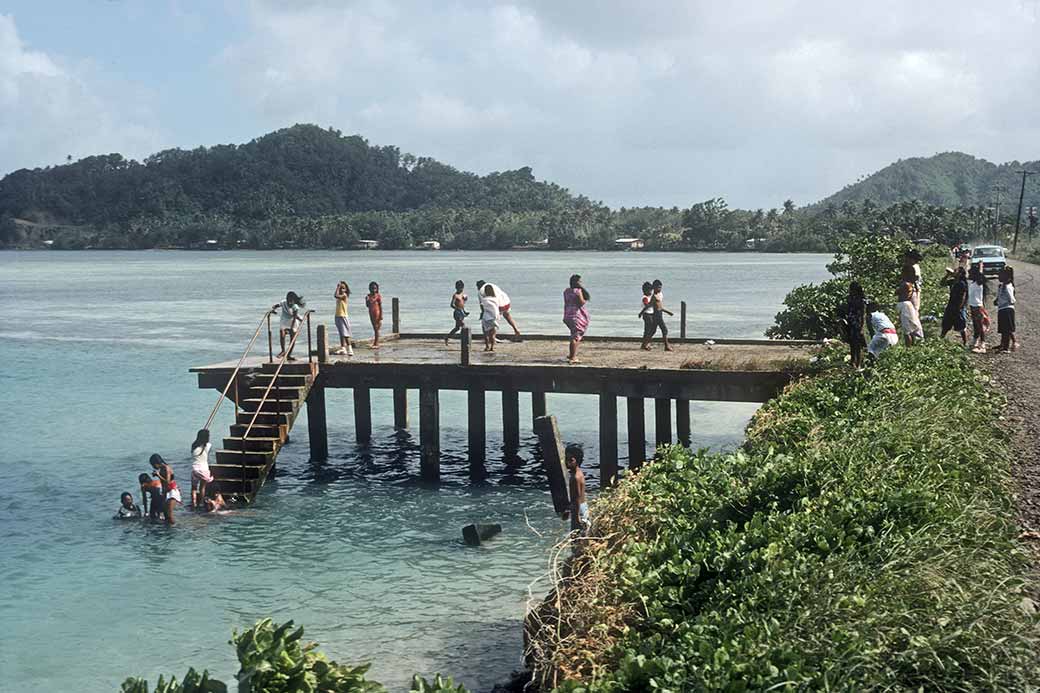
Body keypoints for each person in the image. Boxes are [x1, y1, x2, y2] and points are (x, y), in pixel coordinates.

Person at [838, 281, 867, 369]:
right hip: (851, 322)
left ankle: (858, 362)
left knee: (857, 344)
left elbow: (863, 314)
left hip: (857, 323)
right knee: (852, 343)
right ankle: (853, 361)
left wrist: (862, 327)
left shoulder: (861, 300)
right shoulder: (850, 298)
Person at [562, 274, 590, 364]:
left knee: (573, 334)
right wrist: (584, 299)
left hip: (567, 316)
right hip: (576, 317)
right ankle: (573, 357)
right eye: (580, 281)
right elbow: (581, 302)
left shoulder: (566, 291)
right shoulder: (577, 291)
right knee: (576, 337)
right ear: (577, 282)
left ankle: (571, 355)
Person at [940, 266, 969, 346]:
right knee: (946, 324)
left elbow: (963, 296)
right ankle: (940, 339)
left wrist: (959, 307)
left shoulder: (961, 283)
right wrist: (947, 275)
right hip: (951, 305)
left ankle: (965, 343)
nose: (954, 272)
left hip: (958, 307)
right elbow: (942, 283)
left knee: (961, 326)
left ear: (960, 274)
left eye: (956, 271)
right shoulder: (953, 281)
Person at [149, 453, 181, 526]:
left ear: (156, 463)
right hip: (167, 492)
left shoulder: (167, 468)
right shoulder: (161, 469)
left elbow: (167, 482)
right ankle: (168, 531)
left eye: (153, 464)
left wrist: (158, 475)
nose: (153, 466)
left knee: (169, 515)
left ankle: (174, 529)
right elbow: (163, 483)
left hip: (172, 492)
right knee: (166, 514)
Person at [896, 266, 923, 346]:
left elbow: (897, 292)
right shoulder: (910, 284)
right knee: (910, 327)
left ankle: (909, 348)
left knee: (907, 330)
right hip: (905, 305)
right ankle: (913, 345)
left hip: (905, 305)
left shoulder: (906, 284)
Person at [274, 291, 305, 361]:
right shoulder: (283, 302)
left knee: (292, 339)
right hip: (284, 321)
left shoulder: (295, 307)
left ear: (294, 301)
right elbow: (277, 305)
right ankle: (283, 351)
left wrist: (291, 327)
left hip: (292, 322)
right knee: (282, 333)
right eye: (288, 300)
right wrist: (274, 309)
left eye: (291, 301)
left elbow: (294, 317)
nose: (290, 303)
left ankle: (289, 355)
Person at [563, 444, 588, 528]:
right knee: (584, 534)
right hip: (584, 507)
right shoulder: (580, 473)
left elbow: (576, 499)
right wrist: (568, 509)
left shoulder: (575, 478)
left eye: (571, 460)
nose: (567, 462)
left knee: (576, 536)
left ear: (577, 460)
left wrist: (576, 518)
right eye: (566, 459)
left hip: (578, 510)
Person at [995, 266, 1017, 353]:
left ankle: (1006, 348)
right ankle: (1002, 344)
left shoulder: (1008, 286)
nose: (998, 277)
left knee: (1006, 330)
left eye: (1000, 275)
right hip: (1002, 309)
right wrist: (997, 301)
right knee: (1003, 328)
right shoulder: (1002, 286)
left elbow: (1012, 300)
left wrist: (1002, 302)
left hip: (1007, 310)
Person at [190, 429, 213, 508]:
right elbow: (208, 444)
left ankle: (194, 503)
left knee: (193, 487)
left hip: (195, 469)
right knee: (202, 487)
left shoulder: (193, 446)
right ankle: (201, 503)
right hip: (204, 469)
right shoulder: (208, 446)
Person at [968, 265, 988, 353]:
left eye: (970, 273)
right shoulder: (973, 283)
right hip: (973, 307)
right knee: (976, 325)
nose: (969, 275)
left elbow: (980, 274)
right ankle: (975, 341)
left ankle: (983, 344)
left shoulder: (978, 283)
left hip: (977, 307)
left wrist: (980, 267)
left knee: (980, 326)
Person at [650, 279, 674, 351]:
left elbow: (659, 306)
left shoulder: (660, 294)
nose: (659, 289)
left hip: (659, 314)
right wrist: (668, 312)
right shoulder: (654, 296)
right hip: (657, 315)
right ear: (654, 287)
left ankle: (645, 343)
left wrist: (667, 312)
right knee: (664, 330)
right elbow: (657, 307)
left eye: (660, 287)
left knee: (653, 331)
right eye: (658, 287)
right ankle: (667, 346)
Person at [333, 281, 354, 357]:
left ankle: (350, 348)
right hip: (338, 315)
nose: (342, 289)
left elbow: (335, 295)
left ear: (346, 290)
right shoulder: (340, 296)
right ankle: (343, 348)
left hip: (343, 316)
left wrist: (337, 287)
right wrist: (338, 288)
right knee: (341, 333)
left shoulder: (344, 296)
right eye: (341, 288)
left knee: (346, 334)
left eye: (343, 288)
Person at [445, 280, 468, 345]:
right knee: (463, 325)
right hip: (457, 313)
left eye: (462, 288)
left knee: (457, 328)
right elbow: (452, 305)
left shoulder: (463, 295)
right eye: (459, 288)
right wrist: (457, 308)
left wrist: (464, 312)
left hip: (462, 312)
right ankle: (464, 340)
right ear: (456, 288)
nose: (461, 289)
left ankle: (447, 337)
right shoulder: (455, 295)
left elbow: (463, 304)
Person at [479, 284, 499, 352]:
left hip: (486, 317)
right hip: (494, 318)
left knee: (485, 333)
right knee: (492, 334)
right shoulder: (496, 299)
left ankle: (487, 346)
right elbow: (497, 308)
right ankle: (492, 347)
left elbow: (482, 309)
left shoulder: (484, 300)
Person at [638, 282, 656, 350]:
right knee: (648, 330)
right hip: (647, 315)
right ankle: (645, 344)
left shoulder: (649, 297)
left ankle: (645, 344)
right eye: (649, 290)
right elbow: (647, 306)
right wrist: (641, 312)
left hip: (651, 314)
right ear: (644, 290)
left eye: (651, 290)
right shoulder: (645, 298)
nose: (650, 292)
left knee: (649, 330)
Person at [365, 282, 383, 348]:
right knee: (374, 328)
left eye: (375, 288)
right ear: (369, 288)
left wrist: (381, 315)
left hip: (377, 312)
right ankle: (375, 342)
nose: (373, 290)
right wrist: (367, 300)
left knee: (376, 328)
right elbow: (367, 305)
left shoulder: (378, 296)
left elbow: (380, 306)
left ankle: (376, 343)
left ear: (377, 289)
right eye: (372, 288)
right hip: (371, 312)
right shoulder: (368, 296)